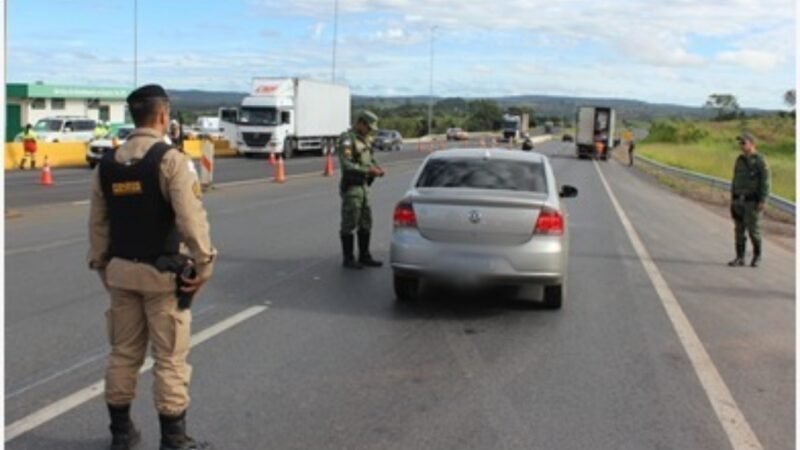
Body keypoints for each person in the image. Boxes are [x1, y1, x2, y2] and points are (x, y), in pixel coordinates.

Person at [88, 84, 216, 450]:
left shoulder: (107, 164)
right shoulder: (171, 160)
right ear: (162, 115)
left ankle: (121, 434)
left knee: (123, 353)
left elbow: (98, 224)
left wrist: (103, 267)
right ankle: (174, 439)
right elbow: (190, 219)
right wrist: (204, 263)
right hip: (162, 276)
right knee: (170, 359)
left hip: (120, 273)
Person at [337, 110, 385, 270]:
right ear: (360, 123)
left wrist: (377, 167)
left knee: (366, 222)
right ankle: (348, 258)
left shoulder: (365, 140)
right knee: (349, 222)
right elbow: (347, 164)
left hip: (364, 186)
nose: (370, 130)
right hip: (352, 187)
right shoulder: (347, 140)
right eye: (368, 127)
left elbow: (370, 158)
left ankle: (364, 256)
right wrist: (368, 171)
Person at [728, 132, 769, 268]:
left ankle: (757, 256)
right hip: (738, 200)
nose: (741, 145)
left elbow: (765, 182)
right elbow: (735, 180)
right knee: (739, 230)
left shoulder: (760, 161)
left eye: (743, 143)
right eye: (740, 143)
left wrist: (763, 200)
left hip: (752, 202)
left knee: (753, 231)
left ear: (752, 144)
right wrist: (733, 199)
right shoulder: (739, 160)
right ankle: (739, 257)